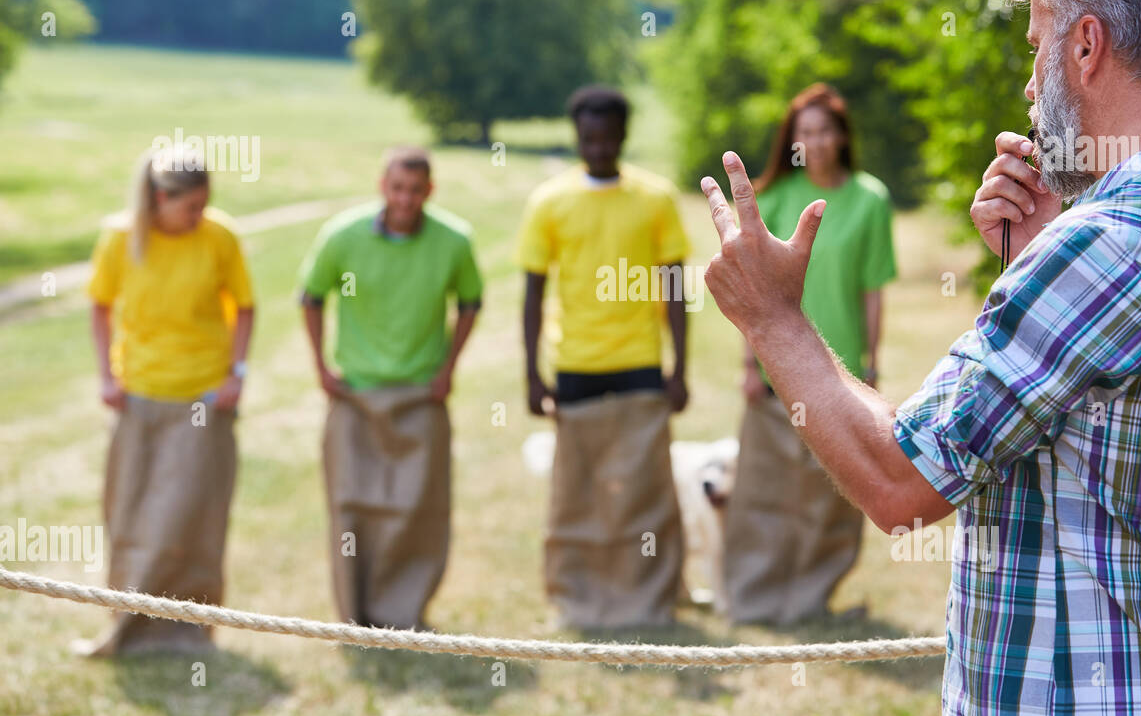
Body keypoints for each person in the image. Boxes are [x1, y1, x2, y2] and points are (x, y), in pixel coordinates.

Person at [699, 0, 1141, 716]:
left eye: (1037, 43)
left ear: (1086, 45)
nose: (1029, 82)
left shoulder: (1104, 254)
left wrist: (773, 319)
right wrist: (1043, 249)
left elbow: (898, 484)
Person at [518, 85, 690, 629]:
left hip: (640, 363)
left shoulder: (656, 198)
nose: (598, 148)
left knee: (645, 488)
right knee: (579, 491)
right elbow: (532, 293)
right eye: (588, 139)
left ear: (623, 136)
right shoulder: (549, 201)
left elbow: (675, 287)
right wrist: (531, 375)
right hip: (575, 365)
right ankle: (580, 594)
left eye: (608, 138)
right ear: (577, 137)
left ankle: (650, 594)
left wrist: (680, 369)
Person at [726, 83, 896, 624]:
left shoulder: (870, 199)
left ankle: (811, 599)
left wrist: (870, 362)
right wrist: (748, 364)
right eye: (806, 132)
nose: (816, 142)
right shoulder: (775, 196)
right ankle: (755, 598)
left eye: (825, 131)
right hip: (775, 369)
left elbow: (872, 289)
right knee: (766, 490)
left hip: (837, 372)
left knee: (832, 494)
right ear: (792, 140)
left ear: (841, 137)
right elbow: (753, 291)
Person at [77, 145, 255, 656]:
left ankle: (189, 630)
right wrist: (106, 376)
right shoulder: (119, 239)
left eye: (204, 204)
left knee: (194, 516)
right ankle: (127, 628)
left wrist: (236, 373)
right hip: (138, 396)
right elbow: (99, 305)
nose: (200, 215)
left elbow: (245, 306)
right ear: (160, 198)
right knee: (131, 514)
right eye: (191, 207)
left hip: (204, 397)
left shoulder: (219, 237)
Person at [299, 146, 482, 631]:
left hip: (421, 394)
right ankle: (353, 615)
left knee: (417, 507)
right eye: (397, 188)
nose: (405, 199)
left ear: (430, 191)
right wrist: (321, 367)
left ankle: (404, 613)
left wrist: (448, 368)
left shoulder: (454, 241)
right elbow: (311, 297)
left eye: (415, 190)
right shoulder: (341, 236)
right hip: (355, 394)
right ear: (383, 186)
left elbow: (470, 302)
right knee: (350, 505)